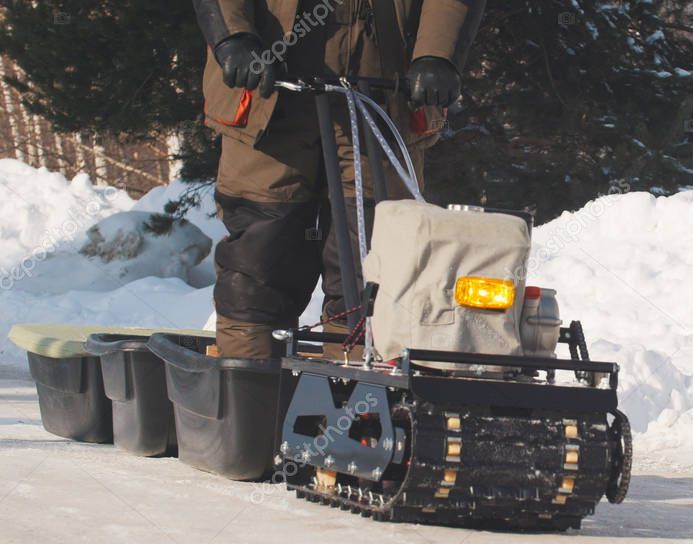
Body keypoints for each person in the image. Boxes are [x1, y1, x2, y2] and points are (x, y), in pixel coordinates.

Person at [191, 0, 485, 358]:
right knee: (259, 261)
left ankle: (360, 401)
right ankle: (249, 394)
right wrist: (232, 36)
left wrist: (438, 54)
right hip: (270, 89)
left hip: (382, 92)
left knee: (373, 268)